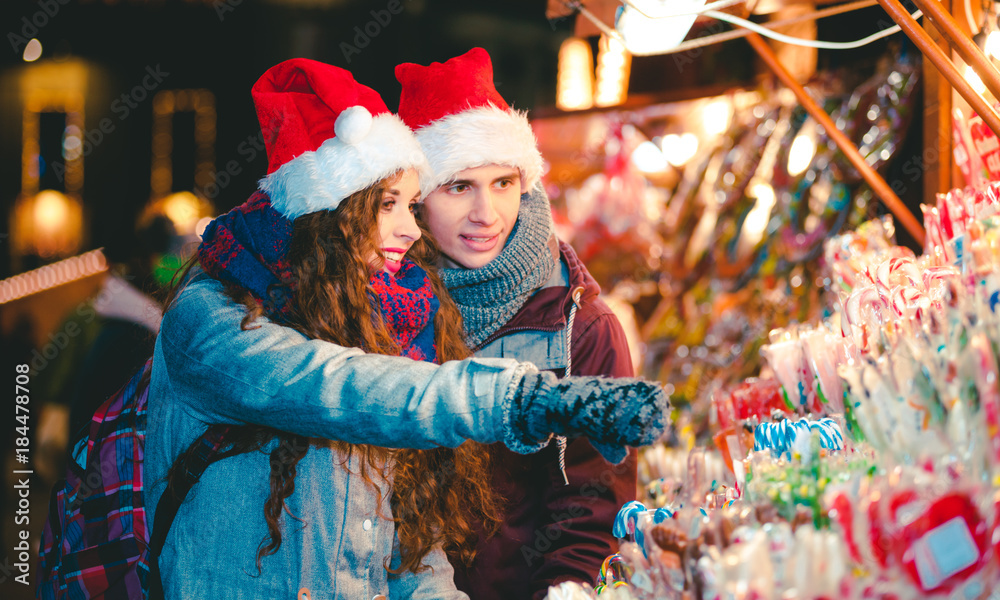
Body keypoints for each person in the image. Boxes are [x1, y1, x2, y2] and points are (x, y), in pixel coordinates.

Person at [146, 59, 670, 600]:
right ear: (328, 212)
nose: (410, 227)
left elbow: (400, 545)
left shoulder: (391, 310)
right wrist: (517, 398)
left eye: (505, 182)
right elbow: (342, 389)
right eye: (390, 204)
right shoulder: (213, 318)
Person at [394, 47, 639, 598]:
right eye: (459, 186)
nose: (487, 214)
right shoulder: (374, 306)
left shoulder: (581, 328)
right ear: (413, 200)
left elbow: (593, 512)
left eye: (503, 183)